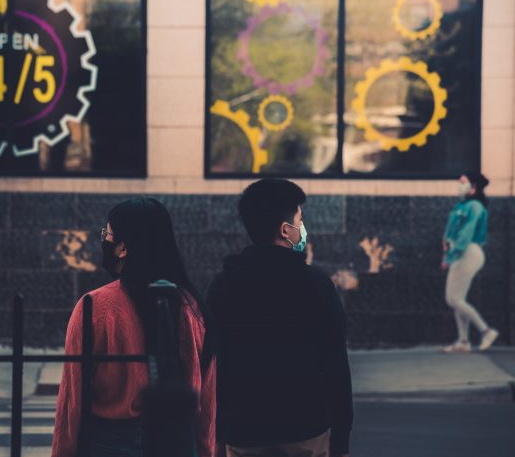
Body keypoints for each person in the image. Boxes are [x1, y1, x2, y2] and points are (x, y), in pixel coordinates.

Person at [51, 197, 216, 457]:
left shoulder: (94, 307)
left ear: (123, 248)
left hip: (110, 441)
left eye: (107, 233)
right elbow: (206, 400)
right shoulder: (191, 309)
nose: (104, 238)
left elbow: (72, 401)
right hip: (178, 440)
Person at [208, 179, 353, 457]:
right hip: (305, 427)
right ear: (286, 230)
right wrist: (341, 437)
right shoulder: (317, 285)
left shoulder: (224, 285)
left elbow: (214, 361)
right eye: (300, 219)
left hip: (243, 429)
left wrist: (217, 428)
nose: (303, 227)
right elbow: (335, 361)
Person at [441, 172, 499, 353]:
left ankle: (486, 331)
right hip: (463, 252)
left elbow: (465, 234)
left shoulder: (473, 206)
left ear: (473, 187)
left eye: (463, 182)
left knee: (453, 299)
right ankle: (464, 341)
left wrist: (450, 257)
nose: (459, 185)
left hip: (467, 252)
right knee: (459, 299)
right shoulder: (465, 205)